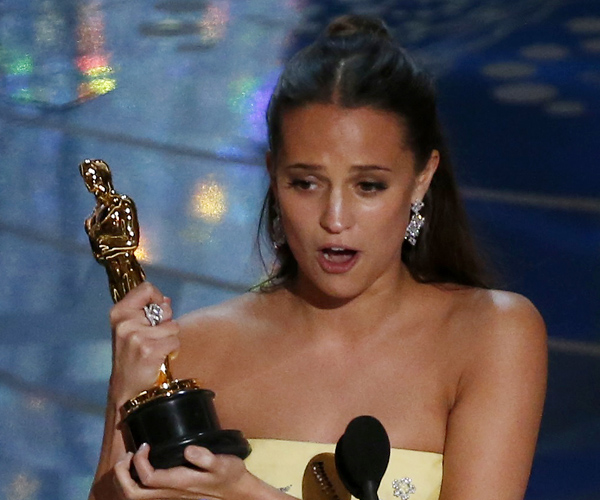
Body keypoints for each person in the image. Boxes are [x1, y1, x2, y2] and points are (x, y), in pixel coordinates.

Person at [88, 14, 547, 500]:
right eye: (306, 183)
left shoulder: (490, 334)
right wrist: (124, 391)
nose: (335, 218)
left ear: (421, 179)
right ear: (273, 176)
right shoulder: (192, 350)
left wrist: (248, 494)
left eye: (368, 185)